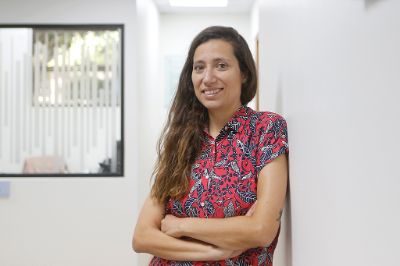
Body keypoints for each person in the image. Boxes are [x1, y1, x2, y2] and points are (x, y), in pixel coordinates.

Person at [133, 26, 289, 265]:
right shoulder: (181, 139)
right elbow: (142, 237)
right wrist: (216, 252)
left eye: (221, 65)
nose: (208, 78)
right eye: (199, 68)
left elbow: (261, 230)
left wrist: (181, 225)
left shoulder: (266, 129)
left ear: (244, 72)